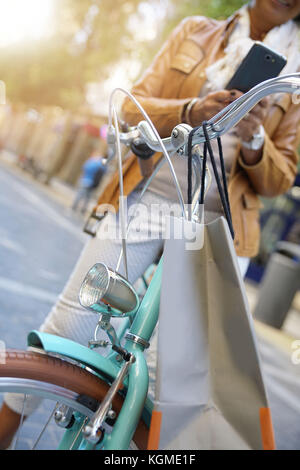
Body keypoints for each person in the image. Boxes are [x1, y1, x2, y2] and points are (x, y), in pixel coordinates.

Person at [1, 0, 300, 449]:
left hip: (217, 228)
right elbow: (132, 107)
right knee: (68, 328)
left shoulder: (294, 79)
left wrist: (256, 135)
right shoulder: (196, 31)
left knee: (173, 380)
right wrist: (190, 109)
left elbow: (280, 179)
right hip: (149, 200)